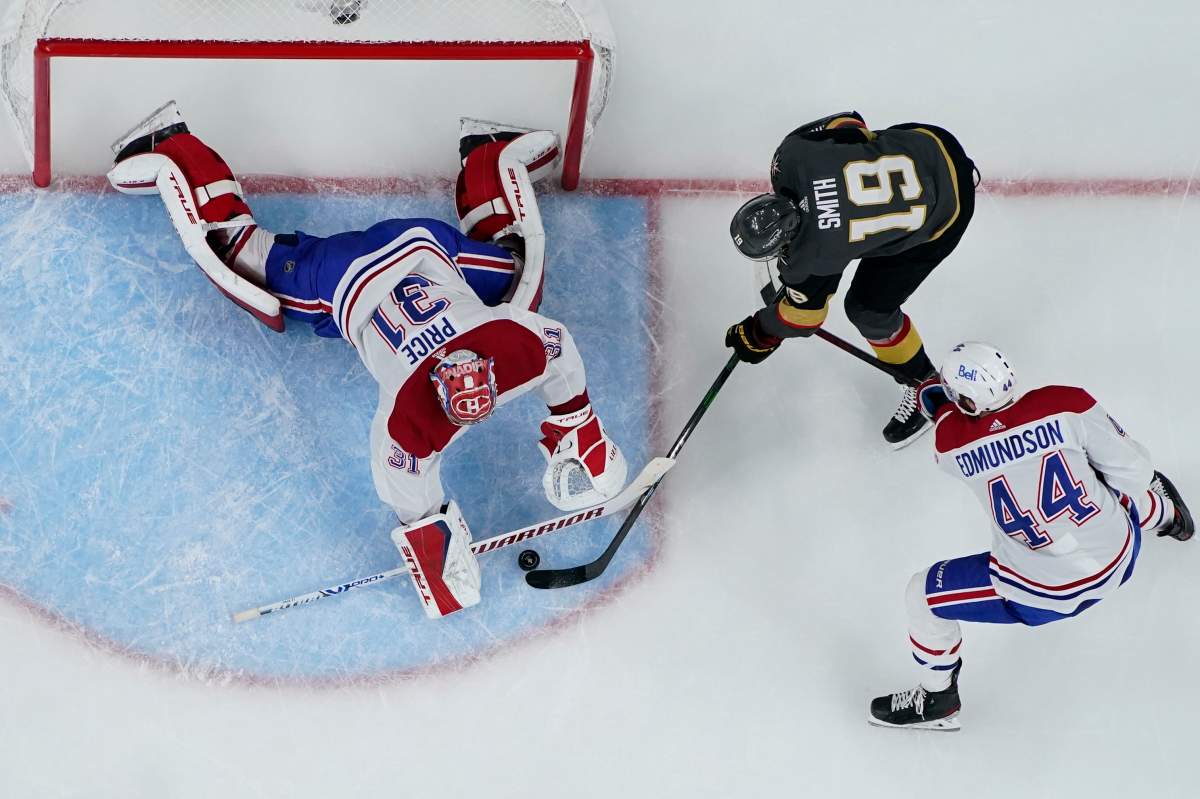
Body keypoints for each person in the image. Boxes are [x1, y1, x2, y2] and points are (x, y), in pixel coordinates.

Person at [106, 103, 628, 618]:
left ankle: (172, 146)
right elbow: (556, 345)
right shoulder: (478, 367)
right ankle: (490, 156)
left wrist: (438, 548)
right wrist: (577, 431)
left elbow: (405, 482)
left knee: (244, 251)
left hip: (393, 256)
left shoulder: (423, 405)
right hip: (368, 268)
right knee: (517, 276)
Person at [869, 342, 1193, 730]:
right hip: (1120, 555)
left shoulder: (952, 443)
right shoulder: (1066, 403)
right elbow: (1136, 475)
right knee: (1103, 484)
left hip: (1043, 594)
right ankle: (1167, 516)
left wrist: (937, 403)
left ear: (966, 403)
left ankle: (937, 698)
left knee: (920, 596)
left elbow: (949, 427)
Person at [724, 111, 977, 448]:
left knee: (868, 310)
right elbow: (850, 124)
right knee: (865, 191)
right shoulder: (792, 154)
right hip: (932, 144)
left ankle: (923, 383)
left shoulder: (810, 258)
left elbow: (803, 319)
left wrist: (760, 332)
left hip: (948, 213)